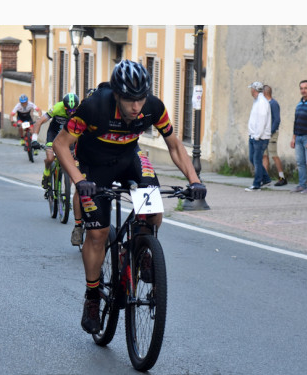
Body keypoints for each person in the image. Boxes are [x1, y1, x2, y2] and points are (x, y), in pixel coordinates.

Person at [52, 60, 206, 334]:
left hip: (129, 158)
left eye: (140, 99)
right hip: (93, 166)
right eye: (129, 100)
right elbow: (61, 144)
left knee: (153, 210)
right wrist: (79, 180)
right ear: (116, 95)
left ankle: (140, 248)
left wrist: (194, 181)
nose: (136, 107)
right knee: (98, 234)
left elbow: (174, 145)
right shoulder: (94, 106)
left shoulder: (153, 108)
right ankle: (91, 297)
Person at [31, 92, 84, 245]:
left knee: (73, 164)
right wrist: (34, 139)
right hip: (54, 135)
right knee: (50, 158)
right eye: (68, 110)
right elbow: (40, 121)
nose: (71, 113)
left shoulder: (80, 111)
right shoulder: (58, 107)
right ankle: (47, 173)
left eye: (73, 111)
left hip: (69, 137)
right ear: (64, 106)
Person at [245, 81, 272, 191]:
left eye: (251, 89)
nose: (251, 91)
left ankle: (257, 184)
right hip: (254, 136)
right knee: (253, 158)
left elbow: (261, 120)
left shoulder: (261, 102)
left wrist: (257, 136)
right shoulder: (257, 101)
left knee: (256, 160)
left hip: (259, 138)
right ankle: (266, 179)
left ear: (254, 90)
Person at [262, 85, 286, 186]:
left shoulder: (273, 103)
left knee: (273, 155)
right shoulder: (265, 104)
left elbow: (277, 120)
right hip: (264, 134)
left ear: (264, 93)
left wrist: (270, 132)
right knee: (264, 155)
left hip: (271, 134)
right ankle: (265, 178)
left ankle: (282, 177)